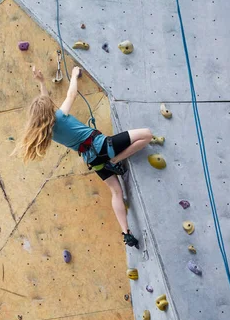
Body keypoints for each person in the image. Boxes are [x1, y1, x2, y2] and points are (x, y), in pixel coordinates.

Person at [12, 65, 152, 249]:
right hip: (103, 146)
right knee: (147, 135)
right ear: (49, 110)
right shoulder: (60, 116)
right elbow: (71, 94)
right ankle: (115, 161)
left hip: (92, 160)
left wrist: (42, 83)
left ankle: (126, 232)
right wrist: (74, 76)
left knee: (116, 192)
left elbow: (45, 104)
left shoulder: (48, 132)